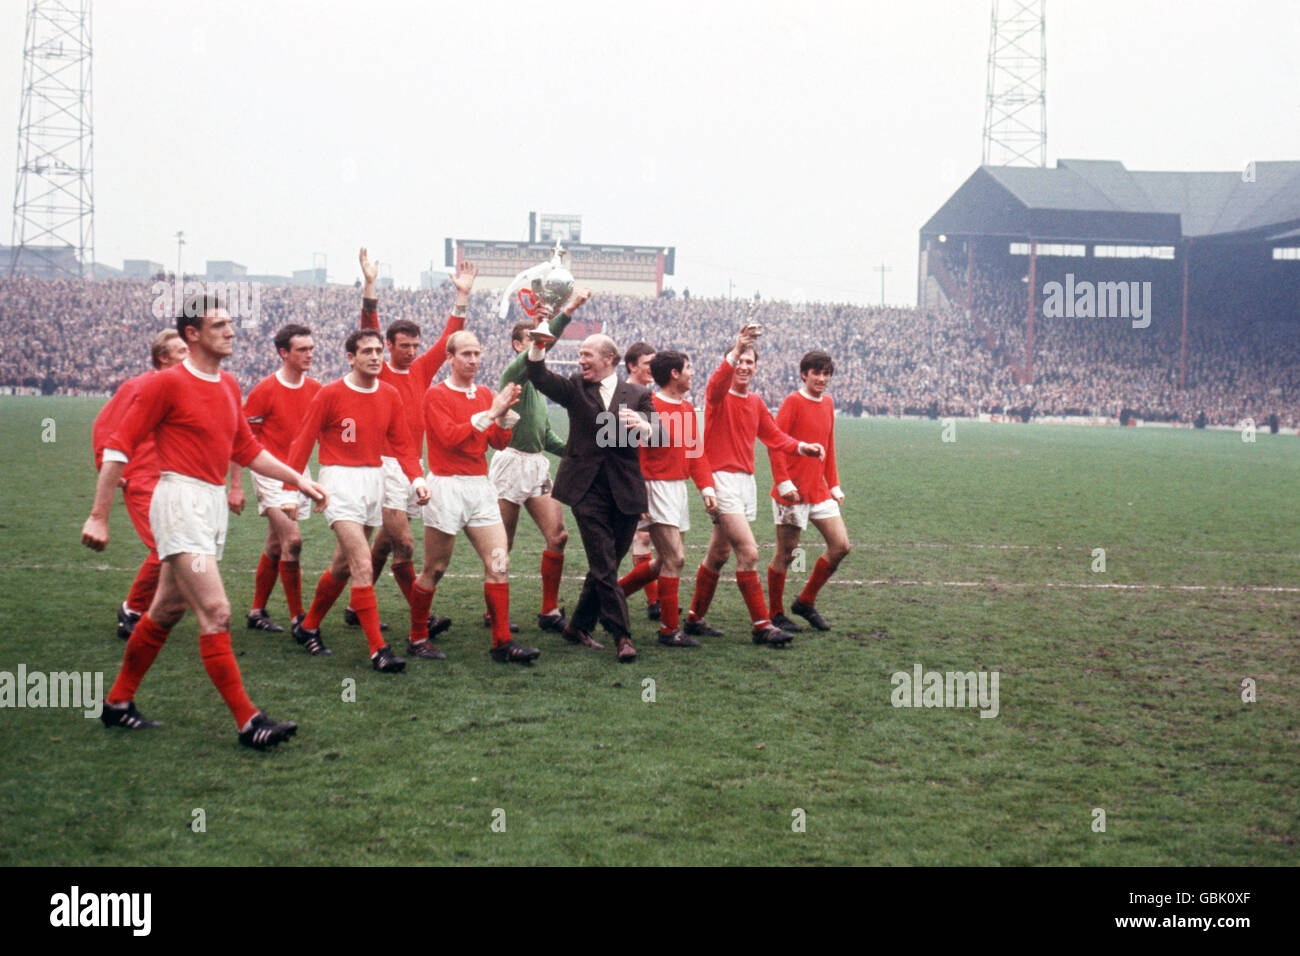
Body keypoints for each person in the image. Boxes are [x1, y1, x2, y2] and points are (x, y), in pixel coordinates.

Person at [82, 292, 326, 749]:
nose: (231, 331)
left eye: (231, 323)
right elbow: (119, 446)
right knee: (216, 611)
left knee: (167, 609)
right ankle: (249, 721)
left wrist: (299, 479)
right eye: (219, 325)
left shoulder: (229, 384)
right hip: (179, 501)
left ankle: (117, 703)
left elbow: (246, 449)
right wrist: (99, 516)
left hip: (211, 504)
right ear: (191, 334)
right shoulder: (166, 384)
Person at [343, 249, 474, 631]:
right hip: (381, 468)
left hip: (411, 468)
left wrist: (462, 296)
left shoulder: (420, 370)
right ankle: (423, 617)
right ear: (388, 345)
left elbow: (449, 337)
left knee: (383, 546)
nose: (413, 352)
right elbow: (368, 322)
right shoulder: (378, 370)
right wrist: (370, 285)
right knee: (406, 546)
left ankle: (355, 605)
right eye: (405, 346)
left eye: (416, 346)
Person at [286, 328, 429, 671]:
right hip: (338, 483)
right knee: (363, 564)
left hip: (373, 480)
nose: (376, 356)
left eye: (379, 350)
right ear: (351, 357)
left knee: (342, 564)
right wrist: (291, 490)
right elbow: (302, 442)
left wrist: (418, 478)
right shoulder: (330, 394)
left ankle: (307, 627)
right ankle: (378, 650)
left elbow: (404, 444)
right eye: (367, 351)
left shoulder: (390, 394)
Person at [682, 323, 824, 647]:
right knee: (748, 552)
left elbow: (774, 436)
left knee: (718, 553)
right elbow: (717, 381)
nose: (744, 367)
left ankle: (693, 619)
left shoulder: (756, 402)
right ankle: (762, 626)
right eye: (739, 361)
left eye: (750, 362)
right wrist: (737, 347)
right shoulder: (718, 396)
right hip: (721, 481)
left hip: (746, 484)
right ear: (731, 363)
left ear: (757, 367)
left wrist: (803, 447)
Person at [525, 326, 657, 662]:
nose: (581, 359)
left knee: (605, 565)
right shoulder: (574, 388)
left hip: (626, 492)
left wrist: (643, 427)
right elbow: (539, 376)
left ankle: (577, 625)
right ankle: (622, 635)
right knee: (603, 561)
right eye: (580, 354)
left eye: (587, 354)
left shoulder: (637, 394)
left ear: (609, 359)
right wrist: (539, 344)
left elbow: (660, 434)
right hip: (586, 490)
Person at [411, 331, 535, 662]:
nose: (473, 360)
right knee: (435, 568)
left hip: (479, 486)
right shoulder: (436, 395)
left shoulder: (483, 393)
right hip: (446, 486)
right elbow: (451, 438)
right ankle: (418, 637)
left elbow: (497, 443)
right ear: (450, 359)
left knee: (499, 562)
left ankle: (502, 643)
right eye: (466, 354)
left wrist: (506, 418)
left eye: (477, 353)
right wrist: (491, 412)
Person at [489, 293, 594, 635]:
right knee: (502, 543)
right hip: (510, 464)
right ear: (518, 345)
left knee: (559, 536)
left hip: (535, 465)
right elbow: (539, 348)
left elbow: (546, 437)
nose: (540, 347)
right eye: (533, 341)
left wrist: (578, 453)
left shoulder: (539, 386)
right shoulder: (513, 375)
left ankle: (548, 610)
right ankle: (495, 613)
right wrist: (566, 312)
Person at [91, 329, 189, 640]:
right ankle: (132, 611)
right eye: (182, 352)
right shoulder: (139, 386)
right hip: (143, 479)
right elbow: (104, 426)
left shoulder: (184, 388)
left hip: (176, 479)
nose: (190, 356)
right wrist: (104, 466)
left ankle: (153, 607)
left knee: (179, 545)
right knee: (164, 546)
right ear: (163, 357)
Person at [617, 349, 717, 646]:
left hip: (677, 490)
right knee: (676, 558)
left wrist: (707, 488)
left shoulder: (687, 409)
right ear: (674, 373)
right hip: (654, 489)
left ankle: (609, 596)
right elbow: (631, 456)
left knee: (663, 562)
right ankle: (669, 630)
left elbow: (695, 453)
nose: (693, 373)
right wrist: (639, 497)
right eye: (689, 367)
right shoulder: (648, 405)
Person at [227, 323, 321, 634]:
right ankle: (299, 620)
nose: (309, 354)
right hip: (268, 474)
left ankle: (257, 612)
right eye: (302, 349)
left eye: (310, 348)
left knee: (276, 543)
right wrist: (237, 485)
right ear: (284, 353)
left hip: (298, 474)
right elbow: (241, 442)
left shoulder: (316, 390)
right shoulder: (264, 390)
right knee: (293, 541)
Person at [766, 350, 851, 632]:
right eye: (816, 373)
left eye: (826, 373)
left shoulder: (828, 404)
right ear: (804, 374)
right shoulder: (792, 401)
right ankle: (776, 613)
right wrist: (783, 481)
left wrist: (834, 484)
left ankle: (805, 601)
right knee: (787, 553)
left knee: (841, 546)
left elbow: (830, 445)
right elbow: (775, 443)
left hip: (819, 490)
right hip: (792, 492)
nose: (822, 379)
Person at [622, 342, 662, 621]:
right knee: (636, 537)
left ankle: (654, 600)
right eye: (648, 363)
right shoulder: (620, 397)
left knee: (644, 537)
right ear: (631, 366)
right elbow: (616, 446)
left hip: (644, 477)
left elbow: (658, 438)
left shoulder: (646, 396)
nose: (653, 368)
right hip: (627, 479)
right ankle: (613, 595)